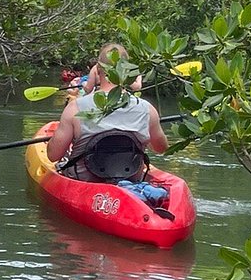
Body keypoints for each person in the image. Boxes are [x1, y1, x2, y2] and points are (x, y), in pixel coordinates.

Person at [48, 43, 168, 182]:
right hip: (131, 182)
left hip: (84, 183)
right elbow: (161, 148)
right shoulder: (147, 109)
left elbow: (53, 155)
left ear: (98, 70)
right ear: (126, 72)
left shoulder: (75, 108)